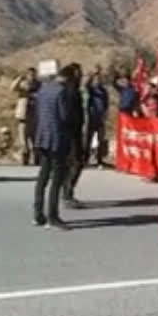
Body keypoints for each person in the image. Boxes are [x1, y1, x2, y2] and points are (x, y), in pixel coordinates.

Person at [33, 63, 72, 229]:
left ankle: (38, 213)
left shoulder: (43, 89)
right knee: (57, 178)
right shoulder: (61, 91)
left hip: (42, 136)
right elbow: (64, 116)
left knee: (43, 176)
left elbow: (37, 112)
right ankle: (53, 216)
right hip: (57, 138)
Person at [62, 63, 85, 208]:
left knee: (73, 162)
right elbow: (70, 113)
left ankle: (67, 191)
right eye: (79, 73)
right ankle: (67, 193)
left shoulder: (72, 89)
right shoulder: (71, 91)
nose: (81, 75)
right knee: (76, 161)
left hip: (72, 131)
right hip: (72, 132)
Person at [10, 68, 41, 165]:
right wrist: (19, 78)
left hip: (34, 116)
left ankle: (37, 159)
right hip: (23, 116)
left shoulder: (38, 85)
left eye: (33, 74)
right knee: (23, 140)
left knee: (35, 139)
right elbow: (12, 88)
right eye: (30, 75)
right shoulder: (23, 84)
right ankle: (25, 160)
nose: (32, 76)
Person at [84, 68, 109, 168]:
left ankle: (99, 159)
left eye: (99, 79)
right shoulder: (92, 90)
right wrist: (92, 75)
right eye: (96, 79)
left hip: (100, 118)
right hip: (92, 117)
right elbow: (86, 85)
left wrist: (105, 113)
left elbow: (106, 103)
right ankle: (85, 159)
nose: (98, 81)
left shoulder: (103, 91)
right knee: (88, 139)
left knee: (100, 139)